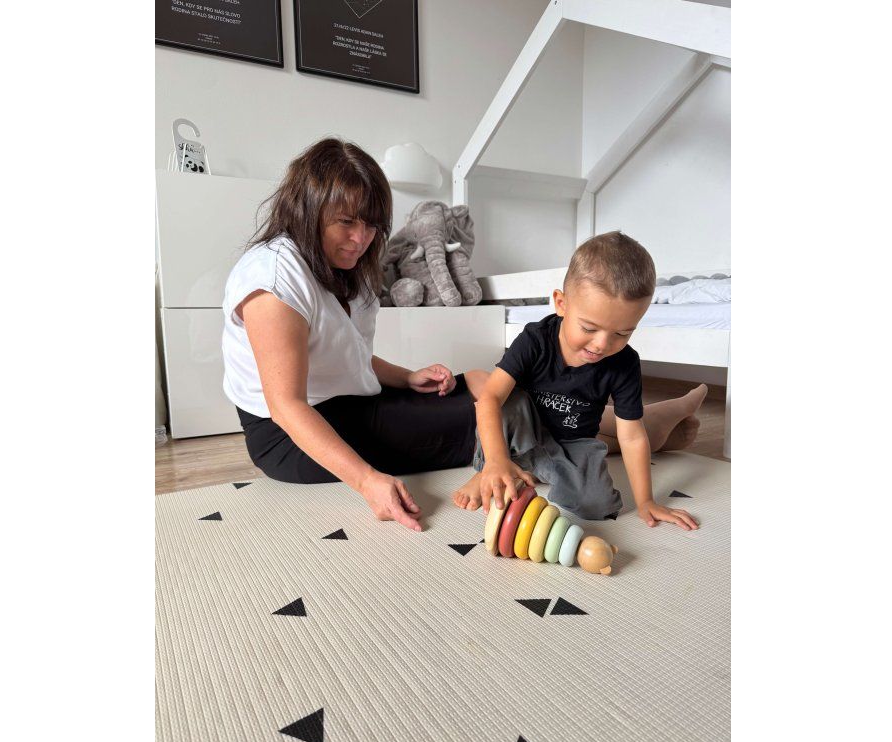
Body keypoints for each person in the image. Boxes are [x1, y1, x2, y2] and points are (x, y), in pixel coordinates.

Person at [222, 137, 705, 534]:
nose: (361, 238)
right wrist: (368, 482)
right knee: (492, 412)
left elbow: (344, 355)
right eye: (346, 222)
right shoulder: (275, 279)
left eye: (371, 225)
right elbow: (287, 405)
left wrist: (405, 377)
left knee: (485, 396)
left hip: (349, 403)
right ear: (306, 208)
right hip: (288, 436)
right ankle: (648, 427)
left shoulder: (342, 267)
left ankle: (639, 427)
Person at [450, 231, 702, 531]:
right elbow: (489, 399)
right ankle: (493, 468)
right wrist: (494, 459)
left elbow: (632, 436)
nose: (602, 344)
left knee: (597, 505)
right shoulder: (534, 340)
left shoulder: (624, 363)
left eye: (622, 333)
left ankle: (525, 469)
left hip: (572, 443)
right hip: (520, 434)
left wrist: (646, 501)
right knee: (506, 400)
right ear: (561, 303)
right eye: (589, 328)